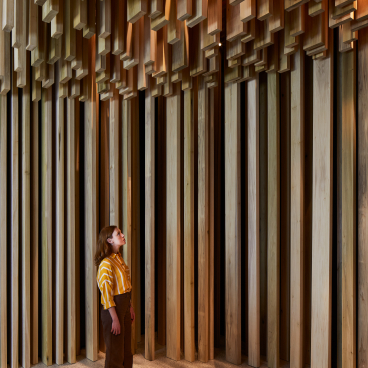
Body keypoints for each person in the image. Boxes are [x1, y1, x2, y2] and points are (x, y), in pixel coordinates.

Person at [95, 225, 135, 368]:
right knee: (115, 351)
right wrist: (115, 319)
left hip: (124, 305)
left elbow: (126, 285)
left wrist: (130, 307)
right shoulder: (106, 264)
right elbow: (106, 295)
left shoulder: (118, 259)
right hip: (113, 309)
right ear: (109, 240)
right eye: (118, 234)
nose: (123, 235)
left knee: (126, 348)